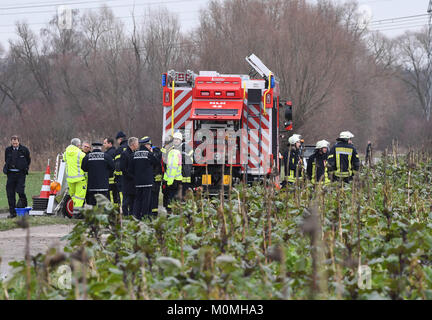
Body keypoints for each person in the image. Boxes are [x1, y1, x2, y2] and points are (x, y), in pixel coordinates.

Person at [131, 138, 159, 220]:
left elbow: (131, 167)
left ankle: (136, 216)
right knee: (146, 200)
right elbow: (156, 162)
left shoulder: (134, 154)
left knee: (138, 199)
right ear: (146, 145)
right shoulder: (148, 154)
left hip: (137, 182)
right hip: (147, 182)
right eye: (149, 145)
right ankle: (145, 216)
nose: (150, 147)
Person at [3, 135, 31, 218]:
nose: (14, 143)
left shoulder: (24, 150)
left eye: (16, 142)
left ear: (19, 142)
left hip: (20, 174)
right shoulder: (8, 150)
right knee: (10, 193)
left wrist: (24, 167)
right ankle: (13, 213)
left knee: (20, 191)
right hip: (11, 174)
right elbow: (6, 160)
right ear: (11, 142)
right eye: (13, 142)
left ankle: (23, 205)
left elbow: (28, 160)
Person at [141, 136, 163, 216]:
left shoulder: (156, 151)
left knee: (154, 195)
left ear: (149, 144)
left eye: (145, 144)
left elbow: (156, 162)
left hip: (156, 177)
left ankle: (154, 212)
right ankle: (150, 211)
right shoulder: (146, 152)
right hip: (149, 177)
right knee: (149, 195)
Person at [64, 138, 87, 211]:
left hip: (70, 179)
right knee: (80, 197)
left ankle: (74, 209)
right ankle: (76, 212)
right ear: (78, 145)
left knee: (73, 196)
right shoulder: (81, 154)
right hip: (80, 179)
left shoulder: (65, 153)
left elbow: (65, 161)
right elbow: (85, 165)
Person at [163, 132, 183, 213]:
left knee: (171, 198)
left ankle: (170, 213)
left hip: (173, 180)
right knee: (174, 198)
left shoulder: (173, 152)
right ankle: (173, 212)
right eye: (175, 139)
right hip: (176, 179)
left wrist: (169, 181)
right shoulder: (175, 151)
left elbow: (172, 168)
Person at [120, 137, 139, 216]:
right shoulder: (125, 154)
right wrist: (133, 177)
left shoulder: (134, 153)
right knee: (126, 201)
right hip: (127, 182)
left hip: (133, 182)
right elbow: (123, 169)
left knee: (132, 201)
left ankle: (131, 215)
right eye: (137, 143)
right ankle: (125, 215)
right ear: (133, 144)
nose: (138, 145)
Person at [114, 131, 128, 208]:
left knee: (122, 194)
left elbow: (117, 165)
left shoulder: (119, 149)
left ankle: (123, 210)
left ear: (120, 139)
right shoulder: (131, 147)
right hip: (131, 176)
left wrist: (117, 176)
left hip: (121, 177)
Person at [104, 138, 120, 204]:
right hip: (116, 178)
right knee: (116, 196)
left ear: (110, 143)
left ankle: (113, 211)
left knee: (111, 196)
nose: (103, 145)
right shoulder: (116, 151)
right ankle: (117, 210)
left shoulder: (108, 154)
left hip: (110, 179)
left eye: (105, 143)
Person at [161, 135, 174, 211]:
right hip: (165, 174)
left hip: (170, 175)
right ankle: (166, 207)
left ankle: (169, 209)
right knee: (165, 191)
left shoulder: (173, 150)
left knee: (169, 192)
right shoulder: (164, 150)